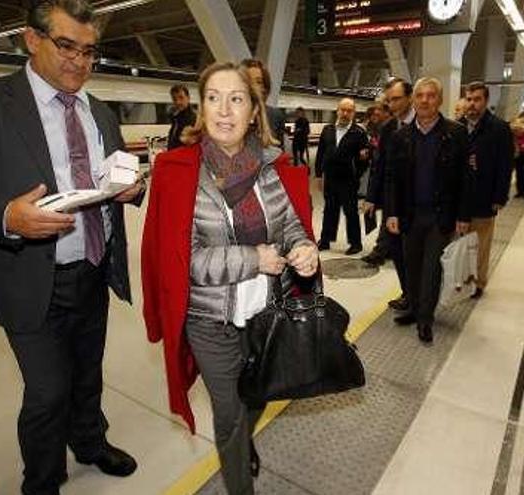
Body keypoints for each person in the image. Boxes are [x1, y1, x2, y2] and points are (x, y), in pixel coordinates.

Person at [0, 2, 143, 494]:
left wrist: (134, 187)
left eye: (89, 51)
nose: (79, 61)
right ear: (32, 39)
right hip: (28, 277)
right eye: (67, 45)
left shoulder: (100, 112)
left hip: (93, 269)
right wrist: (7, 216)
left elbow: (116, 175)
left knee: (88, 374)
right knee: (48, 393)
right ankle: (42, 481)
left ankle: (90, 442)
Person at [140, 62, 318, 495]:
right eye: (213, 98)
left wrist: (305, 248)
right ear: (201, 110)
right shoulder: (177, 172)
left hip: (266, 313)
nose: (224, 109)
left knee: (257, 394)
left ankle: (240, 446)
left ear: (254, 111)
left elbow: (291, 224)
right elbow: (182, 261)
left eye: (236, 98)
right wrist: (253, 259)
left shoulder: (272, 168)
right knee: (231, 412)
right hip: (208, 320)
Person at [384, 77, 473, 344]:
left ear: (440, 100)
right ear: (414, 100)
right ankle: (413, 308)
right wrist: (391, 213)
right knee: (411, 266)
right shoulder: (402, 136)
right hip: (410, 214)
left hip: (439, 215)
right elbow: (392, 178)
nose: (424, 100)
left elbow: (465, 178)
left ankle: (425, 319)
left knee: (431, 268)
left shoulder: (455, 133)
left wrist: (463, 215)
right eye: (420, 95)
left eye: (430, 95)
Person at [361, 78, 414, 312]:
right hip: (394, 203)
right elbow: (379, 166)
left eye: (397, 99)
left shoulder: (424, 124)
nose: (392, 105)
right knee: (400, 253)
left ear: (409, 97)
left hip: (422, 203)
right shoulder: (388, 128)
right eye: (389, 100)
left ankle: (420, 299)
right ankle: (408, 294)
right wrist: (371, 197)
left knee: (419, 254)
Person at [462, 81, 514, 299]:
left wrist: (499, 196)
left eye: (477, 99)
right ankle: (462, 278)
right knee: (462, 242)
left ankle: (478, 282)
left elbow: (505, 164)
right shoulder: (458, 126)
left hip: (484, 195)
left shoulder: (499, 128)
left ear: (486, 101)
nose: (472, 104)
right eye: (469, 99)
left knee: (480, 244)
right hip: (461, 196)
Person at [315, 97, 369, 255]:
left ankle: (355, 243)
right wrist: (319, 175)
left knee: (350, 211)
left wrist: (356, 173)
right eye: (342, 110)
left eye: (349, 111)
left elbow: (365, 158)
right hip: (330, 178)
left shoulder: (358, 133)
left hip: (348, 180)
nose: (345, 113)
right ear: (337, 111)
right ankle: (325, 240)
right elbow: (320, 154)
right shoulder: (328, 130)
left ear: (353, 113)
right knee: (330, 209)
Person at [240, 58, 286, 148]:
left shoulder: (274, 115)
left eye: (258, 82)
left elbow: (279, 152)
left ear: (265, 88)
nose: (252, 86)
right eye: (247, 81)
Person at [166, 83, 196, 150]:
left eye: (181, 97)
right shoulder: (176, 117)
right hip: (174, 156)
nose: (178, 102)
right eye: (174, 99)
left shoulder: (193, 118)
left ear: (188, 98)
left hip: (184, 158)